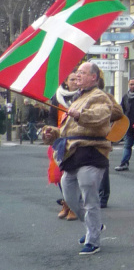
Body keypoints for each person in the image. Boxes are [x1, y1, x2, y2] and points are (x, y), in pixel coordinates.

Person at [42, 62, 124, 255]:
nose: (77, 75)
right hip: (73, 153)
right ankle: (93, 225)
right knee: (69, 194)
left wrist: (80, 114)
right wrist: (51, 133)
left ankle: (93, 239)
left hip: (92, 152)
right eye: (76, 72)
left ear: (94, 77)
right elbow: (67, 131)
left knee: (89, 196)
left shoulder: (100, 96)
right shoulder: (78, 98)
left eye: (82, 73)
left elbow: (101, 115)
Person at [48, 70, 81, 220]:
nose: (75, 82)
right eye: (72, 79)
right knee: (59, 175)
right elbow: (51, 118)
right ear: (66, 82)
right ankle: (67, 203)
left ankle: (74, 206)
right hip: (60, 140)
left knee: (75, 175)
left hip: (78, 139)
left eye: (77, 79)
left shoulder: (83, 97)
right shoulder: (58, 97)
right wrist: (50, 132)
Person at [116, 78, 134, 171]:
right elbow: (122, 109)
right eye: (131, 84)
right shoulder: (126, 97)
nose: (133, 86)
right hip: (128, 126)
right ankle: (124, 163)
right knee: (127, 145)